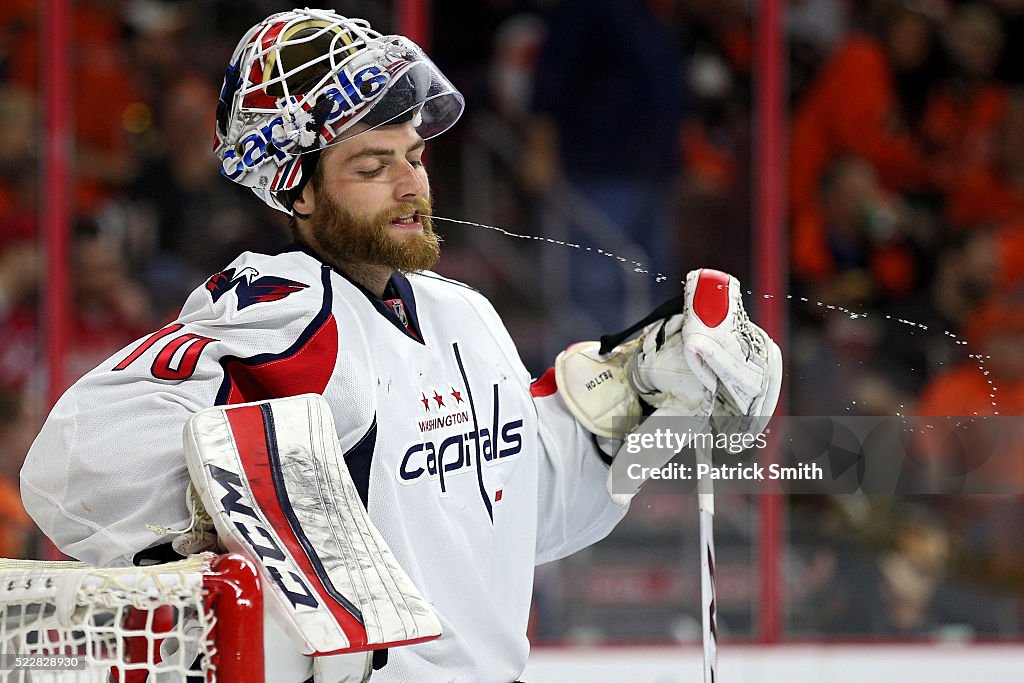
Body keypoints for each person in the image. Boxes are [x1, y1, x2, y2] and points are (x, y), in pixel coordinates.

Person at [20, 9, 781, 682]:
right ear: (298, 190)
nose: (410, 183)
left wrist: (640, 391)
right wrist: (242, 531)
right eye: (371, 167)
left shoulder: (466, 316)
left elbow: (520, 510)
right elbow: (72, 461)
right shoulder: (286, 314)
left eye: (412, 156)